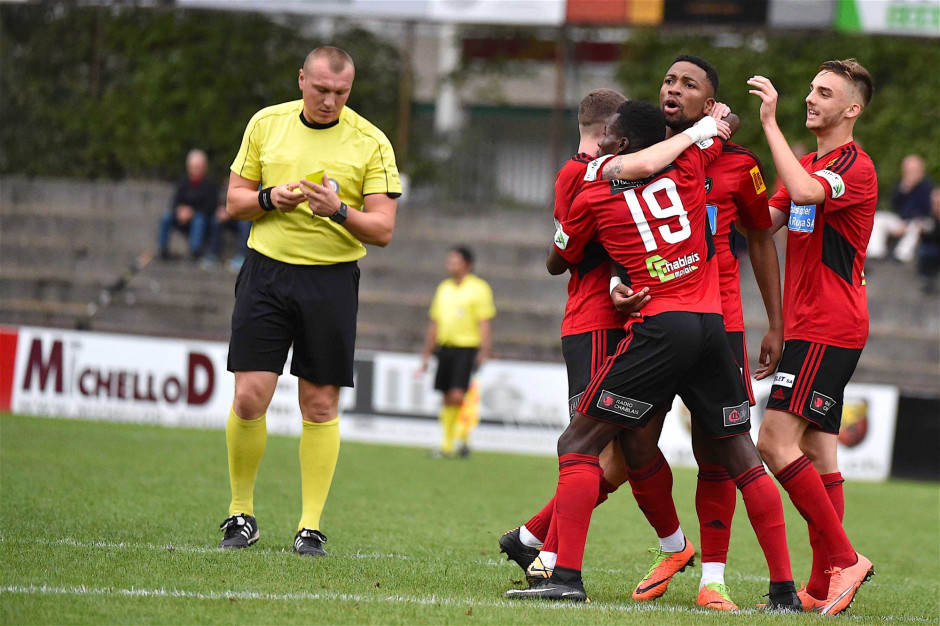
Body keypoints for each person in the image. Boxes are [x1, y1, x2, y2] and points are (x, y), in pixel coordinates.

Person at [505, 99, 801, 611]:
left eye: (606, 140)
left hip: (660, 328)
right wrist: (717, 121)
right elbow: (712, 143)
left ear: (619, 145)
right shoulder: (690, 165)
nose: (597, 146)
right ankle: (783, 592)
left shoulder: (594, 188)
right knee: (741, 456)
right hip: (714, 326)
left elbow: (559, 260)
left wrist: (595, 240)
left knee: (579, 440)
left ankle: (566, 576)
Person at [218, 46, 401, 556]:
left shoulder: (371, 141)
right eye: (321, 90)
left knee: (319, 404)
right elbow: (234, 201)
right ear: (301, 80)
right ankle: (240, 513)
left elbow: (383, 229)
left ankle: (310, 526)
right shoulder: (265, 124)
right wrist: (268, 198)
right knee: (249, 396)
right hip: (266, 274)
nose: (330, 101)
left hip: (331, 280)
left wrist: (338, 210)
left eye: (341, 93)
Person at [748, 58, 876, 614]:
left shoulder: (855, 165)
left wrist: (769, 124)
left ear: (852, 109)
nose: (810, 98)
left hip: (829, 324)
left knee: (774, 443)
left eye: (825, 92)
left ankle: (846, 559)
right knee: (820, 456)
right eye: (810, 89)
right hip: (806, 326)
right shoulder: (804, 163)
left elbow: (803, 191)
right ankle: (825, 585)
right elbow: (757, 226)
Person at [419, 247, 495, 457]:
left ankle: (459, 440)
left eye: (454, 260)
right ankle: (450, 442)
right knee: (446, 395)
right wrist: (427, 352)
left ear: (467, 264)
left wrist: (484, 349)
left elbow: (484, 321)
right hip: (445, 347)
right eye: (449, 259)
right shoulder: (444, 288)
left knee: (458, 394)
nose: (449, 263)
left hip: (466, 348)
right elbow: (435, 322)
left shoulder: (479, 288)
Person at [868, 154, 934, 263]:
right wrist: (903, 190)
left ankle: (902, 255)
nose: (910, 173)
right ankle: (876, 252)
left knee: (916, 225)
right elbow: (894, 204)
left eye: (913, 170)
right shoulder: (902, 184)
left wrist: (906, 222)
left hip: (922, 221)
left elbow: (925, 210)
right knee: (878, 218)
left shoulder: (927, 187)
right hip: (902, 220)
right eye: (908, 170)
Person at [157, 149, 219, 260]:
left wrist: (192, 212)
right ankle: (163, 250)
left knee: (199, 220)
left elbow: (211, 206)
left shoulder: (210, 184)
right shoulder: (183, 182)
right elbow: (175, 202)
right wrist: (180, 211)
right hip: (182, 216)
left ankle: (195, 251)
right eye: (194, 167)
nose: (196, 170)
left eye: (199, 167)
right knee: (166, 218)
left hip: (201, 217)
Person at [916, 188, 940, 293]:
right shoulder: (929, 217)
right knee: (925, 251)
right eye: (934, 204)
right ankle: (927, 278)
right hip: (931, 249)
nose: (936, 207)